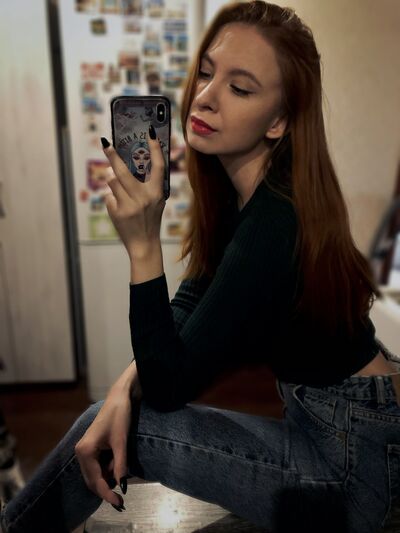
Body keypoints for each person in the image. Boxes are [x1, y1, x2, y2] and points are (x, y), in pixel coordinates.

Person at [1, 1, 399, 531]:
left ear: (279, 122)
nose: (205, 96)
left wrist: (143, 247)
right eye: (207, 73)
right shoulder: (248, 197)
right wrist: (122, 387)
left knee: (114, 429)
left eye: (240, 88)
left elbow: (169, 386)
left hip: (352, 467)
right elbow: (191, 303)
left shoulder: (274, 225)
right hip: (341, 428)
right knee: (110, 412)